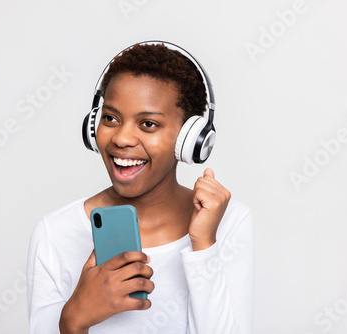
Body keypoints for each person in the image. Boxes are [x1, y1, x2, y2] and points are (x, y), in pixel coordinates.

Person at [26, 41, 254, 334]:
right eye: (110, 118)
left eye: (147, 124)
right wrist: (73, 321)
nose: (121, 138)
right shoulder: (55, 234)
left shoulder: (230, 223)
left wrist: (203, 247)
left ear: (189, 140)